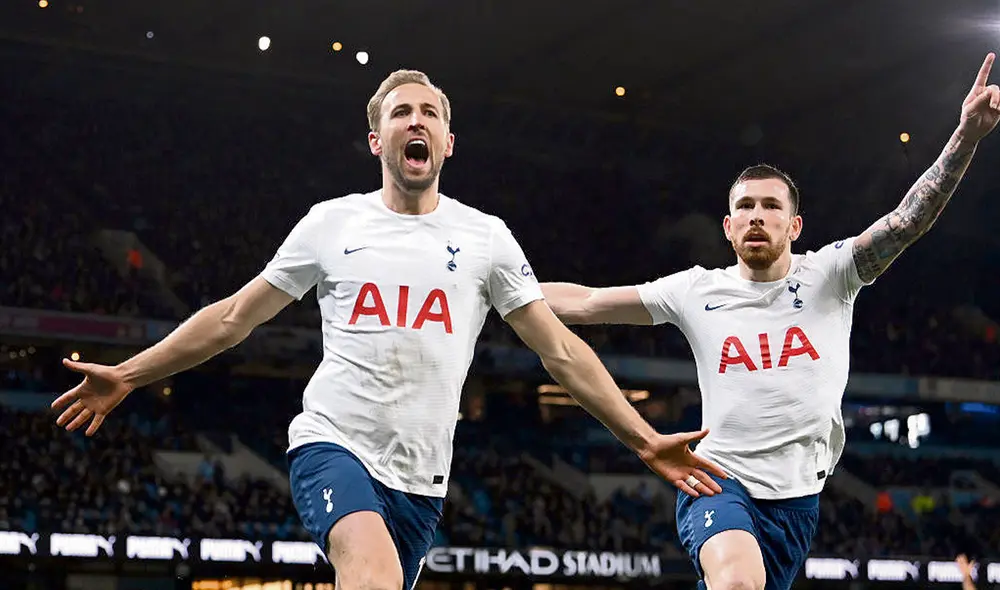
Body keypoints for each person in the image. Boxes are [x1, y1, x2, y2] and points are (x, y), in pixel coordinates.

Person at [49, 70, 727, 590]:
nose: (416, 119)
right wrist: (130, 373)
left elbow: (561, 351)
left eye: (430, 112)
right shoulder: (331, 224)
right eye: (401, 111)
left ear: (448, 142)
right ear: (378, 140)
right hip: (333, 446)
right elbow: (231, 320)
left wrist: (643, 439)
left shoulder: (486, 238)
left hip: (422, 482)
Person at [539, 53, 1000, 590]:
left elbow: (906, 222)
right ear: (729, 227)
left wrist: (966, 136)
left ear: (795, 224)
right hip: (716, 482)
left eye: (772, 206)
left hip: (799, 501)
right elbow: (589, 302)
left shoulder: (833, 273)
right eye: (747, 207)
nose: (758, 215)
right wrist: (498, 289)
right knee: (738, 584)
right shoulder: (695, 289)